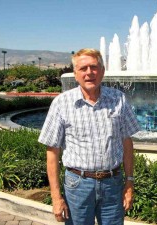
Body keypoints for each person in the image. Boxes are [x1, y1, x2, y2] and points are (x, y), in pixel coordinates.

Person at [38, 48, 140, 225]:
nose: (89, 73)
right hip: (78, 185)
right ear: (75, 74)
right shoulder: (62, 103)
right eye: (83, 68)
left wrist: (129, 182)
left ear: (102, 71)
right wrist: (56, 198)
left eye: (94, 67)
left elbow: (127, 142)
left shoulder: (119, 99)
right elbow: (52, 151)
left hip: (112, 184)